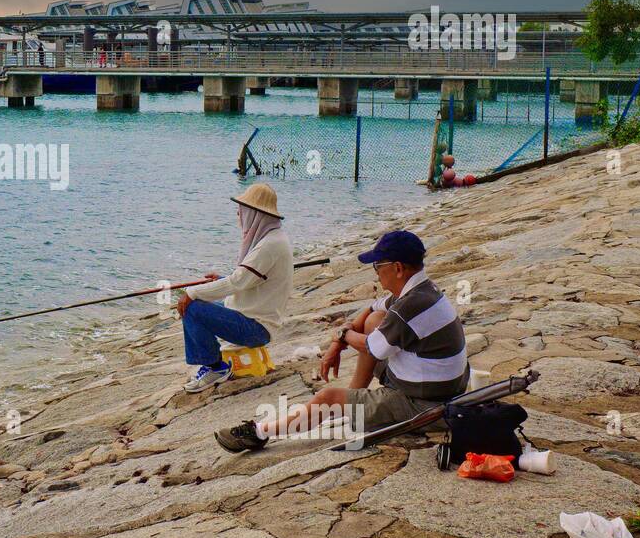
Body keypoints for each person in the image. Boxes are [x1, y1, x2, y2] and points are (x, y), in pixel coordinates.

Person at [213, 229, 468, 452]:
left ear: (398, 268)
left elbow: (371, 347)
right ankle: (355, 397)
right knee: (374, 320)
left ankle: (259, 432)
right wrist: (338, 343)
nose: (376, 275)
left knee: (328, 398)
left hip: (424, 404)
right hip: (441, 386)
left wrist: (342, 335)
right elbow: (373, 308)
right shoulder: (424, 291)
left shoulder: (409, 306)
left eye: (378, 267)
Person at [177, 183, 293, 393]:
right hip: (257, 317)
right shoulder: (273, 238)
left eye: (242, 209)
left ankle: (215, 367)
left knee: (192, 308)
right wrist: (219, 279)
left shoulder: (269, 245)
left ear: (254, 214)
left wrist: (191, 292)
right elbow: (249, 281)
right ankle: (211, 361)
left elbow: (236, 282)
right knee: (201, 303)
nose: (238, 214)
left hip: (256, 328)